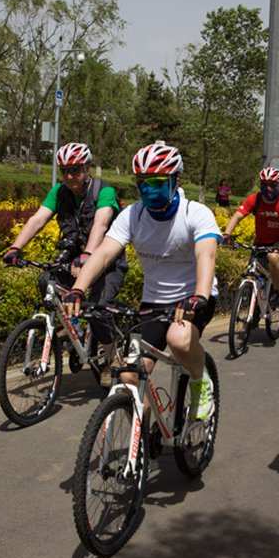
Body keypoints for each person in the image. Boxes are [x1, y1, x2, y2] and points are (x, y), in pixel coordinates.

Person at [63, 141, 219, 420]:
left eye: (158, 183)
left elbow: (206, 255)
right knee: (127, 376)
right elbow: (103, 254)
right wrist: (78, 289)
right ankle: (144, 438)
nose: (149, 190)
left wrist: (200, 296)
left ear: (175, 180)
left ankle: (200, 381)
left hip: (193, 297)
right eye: (143, 183)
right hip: (154, 302)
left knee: (180, 340)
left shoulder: (195, 213)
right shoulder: (133, 214)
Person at [3, 142, 127, 385]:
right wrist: (16, 247)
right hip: (74, 258)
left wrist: (88, 256)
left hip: (105, 259)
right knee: (46, 281)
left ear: (87, 168)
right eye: (65, 171)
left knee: (98, 306)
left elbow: (101, 225)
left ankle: (110, 355)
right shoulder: (59, 192)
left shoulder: (104, 191)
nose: (70, 176)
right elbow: (38, 219)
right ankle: (75, 329)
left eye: (76, 170)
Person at [222, 166, 279, 304]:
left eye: (272, 185)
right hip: (260, 242)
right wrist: (227, 234)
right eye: (264, 185)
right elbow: (237, 216)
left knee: (273, 258)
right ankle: (254, 310)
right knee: (252, 274)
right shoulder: (254, 199)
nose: (268, 189)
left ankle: (277, 292)